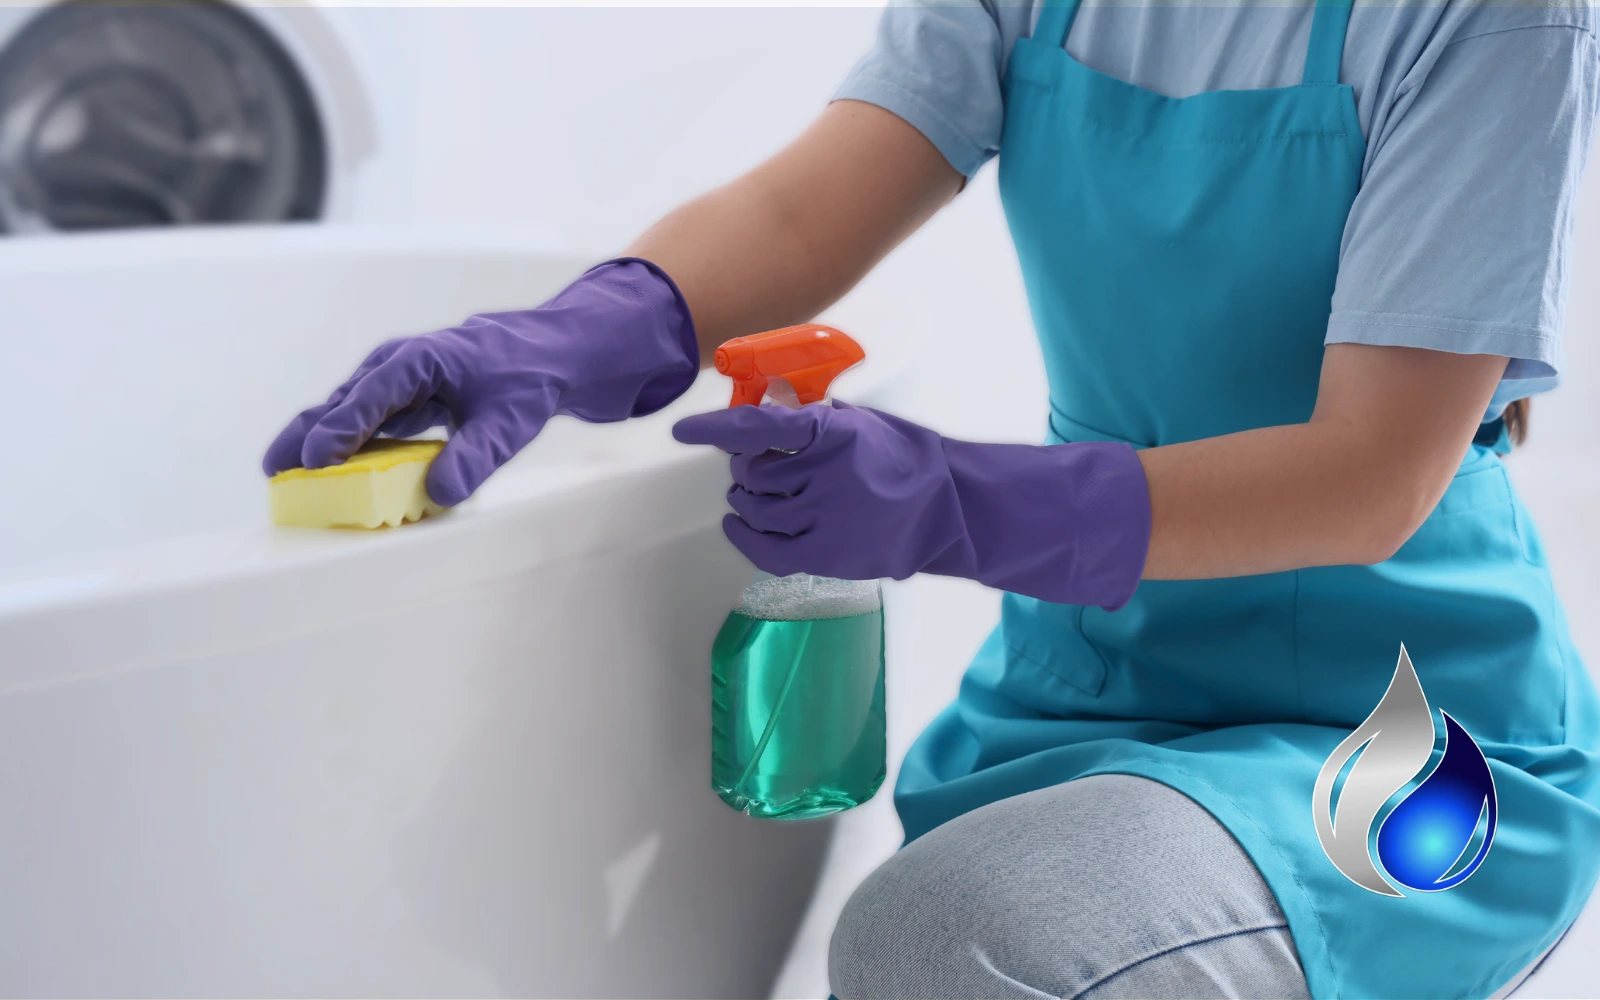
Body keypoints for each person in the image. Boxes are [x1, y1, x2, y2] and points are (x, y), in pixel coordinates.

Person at [264, 0, 1600, 996]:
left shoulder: (1489, 18)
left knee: (962, 936)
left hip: (1391, 741)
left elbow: (1370, 476)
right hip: (1085, 686)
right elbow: (803, 214)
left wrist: (952, 500)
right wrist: (570, 336)